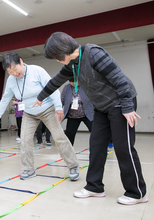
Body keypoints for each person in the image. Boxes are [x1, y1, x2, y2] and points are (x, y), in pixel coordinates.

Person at [33, 32, 147, 205]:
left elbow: (119, 78)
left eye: (56, 57)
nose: (56, 60)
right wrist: (40, 97)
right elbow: (56, 81)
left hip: (120, 103)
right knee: (96, 146)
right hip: (101, 106)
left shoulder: (93, 53)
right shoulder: (72, 65)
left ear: (63, 50)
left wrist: (128, 106)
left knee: (123, 147)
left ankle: (137, 192)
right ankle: (94, 187)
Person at [0, 52, 79, 181]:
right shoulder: (11, 80)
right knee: (25, 140)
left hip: (48, 109)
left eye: (15, 69)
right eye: (10, 72)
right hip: (29, 112)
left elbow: (53, 88)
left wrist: (58, 107)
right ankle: (28, 169)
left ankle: (73, 166)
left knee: (59, 137)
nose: (14, 74)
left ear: (21, 61)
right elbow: (5, 97)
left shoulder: (36, 71)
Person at [61, 79, 93, 145]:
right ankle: (68, 153)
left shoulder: (86, 86)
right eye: (71, 82)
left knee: (95, 132)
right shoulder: (66, 88)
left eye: (75, 81)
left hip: (87, 114)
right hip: (72, 116)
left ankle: (98, 149)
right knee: (69, 135)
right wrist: (58, 110)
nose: (74, 83)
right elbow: (61, 100)